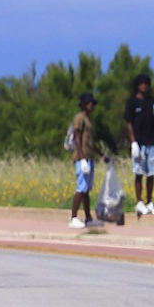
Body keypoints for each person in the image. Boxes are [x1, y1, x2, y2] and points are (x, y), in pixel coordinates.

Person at [123, 73, 154, 217]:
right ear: (137, 86)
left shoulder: (153, 103)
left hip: (152, 143)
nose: (144, 86)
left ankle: (149, 201)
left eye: (146, 83)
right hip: (139, 144)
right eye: (141, 84)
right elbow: (129, 124)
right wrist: (133, 142)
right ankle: (139, 201)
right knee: (139, 173)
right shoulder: (132, 103)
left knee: (151, 174)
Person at [67, 92, 98, 229]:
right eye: (89, 103)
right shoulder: (79, 118)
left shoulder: (88, 119)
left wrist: (100, 155)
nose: (91, 105)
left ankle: (88, 217)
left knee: (86, 189)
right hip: (82, 158)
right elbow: (78, 138)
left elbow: (90, 142)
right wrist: (82, 158)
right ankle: (73, 217)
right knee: (81, 187)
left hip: (89, 156)